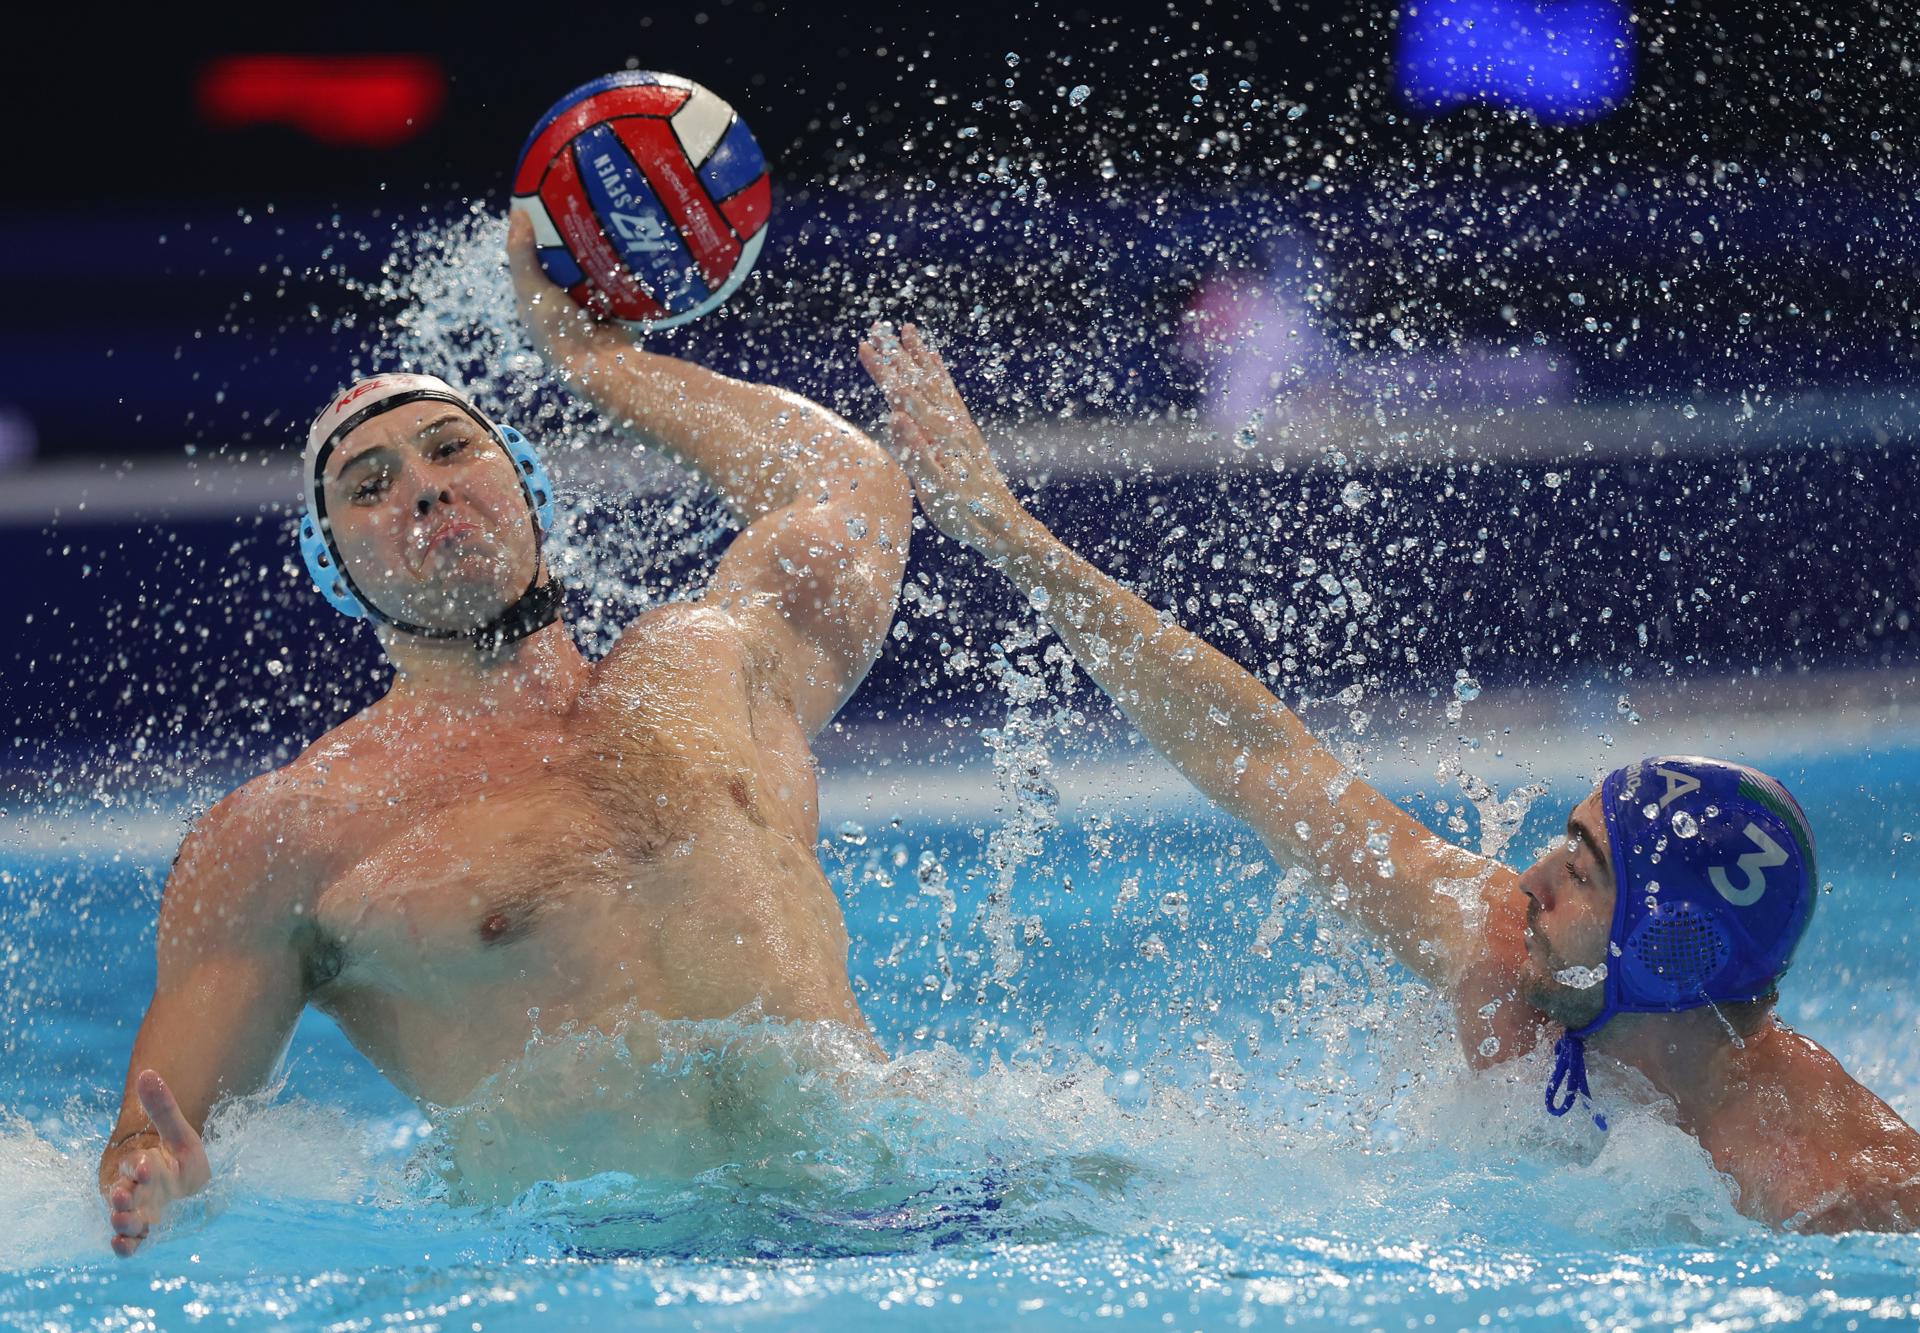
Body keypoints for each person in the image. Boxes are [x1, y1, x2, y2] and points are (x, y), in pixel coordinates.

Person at [859, 321, 1920, 1233]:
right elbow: (1263, 758)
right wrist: (1015, 537)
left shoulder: (1835, 1190)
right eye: (1566, 835)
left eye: (1585, 868)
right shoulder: (1509, 948)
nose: (1534, 872)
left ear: (1669, 947)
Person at [94, 213, 913, 1256]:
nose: (425, 486)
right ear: (331, 566)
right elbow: (157, 1130)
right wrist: (157, 1172)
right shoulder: (289, 834)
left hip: (899, 1223)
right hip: (607, 1281)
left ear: (527, 483)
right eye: (369, 486)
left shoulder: (708, 666)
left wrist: (592, 358)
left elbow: (849, 490)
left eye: (449, 449)